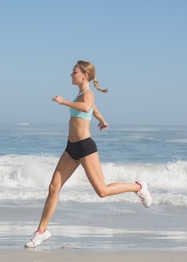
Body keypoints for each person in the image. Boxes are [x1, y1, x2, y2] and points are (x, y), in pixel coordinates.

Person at [25, 60, 152, 248]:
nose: (71, 74)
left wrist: (63, 102)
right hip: (71, 148)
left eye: (74, 72)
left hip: (85, 147)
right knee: (53, 188)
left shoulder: (88, 94)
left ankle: (137, 187)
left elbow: (86, 107)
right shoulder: (81, 95)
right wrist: (102, 119)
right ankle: (42, 231)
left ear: (84, 75)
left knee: (102, 191)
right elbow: (93, 109)